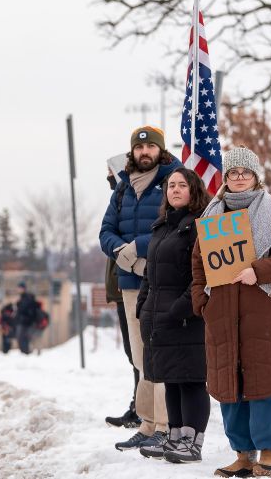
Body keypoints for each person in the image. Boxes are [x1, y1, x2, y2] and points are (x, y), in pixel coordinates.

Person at [192, 147, 271, 478]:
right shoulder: (212, 216)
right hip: (222, 315)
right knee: (230, 388)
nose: (239, 178)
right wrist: (202, 303)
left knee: (263, 385)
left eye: (246, 173)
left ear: (255, 177)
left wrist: (259, 270)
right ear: (225, 179)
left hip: (263, 312)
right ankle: (242, 455)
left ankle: (269, 453)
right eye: (233, 173)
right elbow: (197, 265)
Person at [100, 125, 181, 452]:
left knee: (159, 354)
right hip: (131, 283)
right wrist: (123, 252)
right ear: (132, 152)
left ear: (160, 151)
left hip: (163, 281)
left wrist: (137, 247)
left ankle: (164, 426)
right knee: (140, 357)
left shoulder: (173, 183)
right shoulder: (121, 190)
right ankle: (147, 423)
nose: (144, 153)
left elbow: (177, 225)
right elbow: (106, 230)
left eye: (150, 149)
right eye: (139, 148)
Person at [135, 168, 211, 463]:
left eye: (182, 185)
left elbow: (204, 275)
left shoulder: (201, 225)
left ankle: (193, 442)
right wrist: (144, 306)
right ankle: (175, 435)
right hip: (159, 318)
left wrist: (181, 307)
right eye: (171, 185)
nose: (175, 189)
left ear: (194, 190)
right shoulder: (162, 226)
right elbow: (149, 274)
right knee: (171, 379)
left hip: (185, 317)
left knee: (191, 379)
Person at [104, 163, 142, 429]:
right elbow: (107, 233)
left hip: (139, 282)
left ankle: (144, 409)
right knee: (133, 353)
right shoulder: (118, 198)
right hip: (121, 286)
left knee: (142, 352)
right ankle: (138, 405)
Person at [14, 283, 38, 354]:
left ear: (23, 288)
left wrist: (18, 304)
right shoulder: (23, 297)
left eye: (19, 288)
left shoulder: (26, 297)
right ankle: (25, 352)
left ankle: (25, 352)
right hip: (24, 321)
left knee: (22, 338)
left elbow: (24, 309)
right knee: (22, 337)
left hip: (25, 321)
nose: (18, 290)